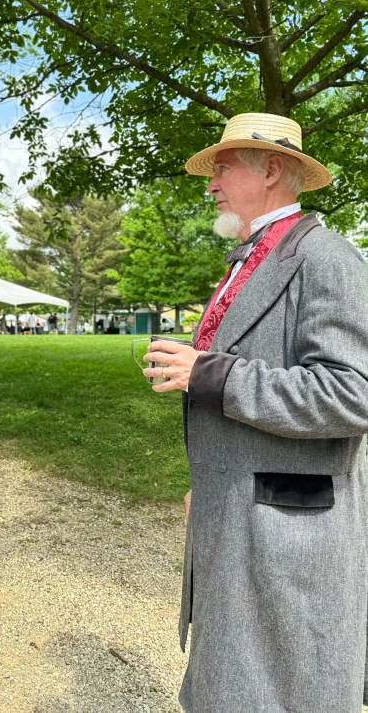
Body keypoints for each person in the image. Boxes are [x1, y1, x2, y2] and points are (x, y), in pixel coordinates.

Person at [143, 113, 368, 713]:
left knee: (284, 691)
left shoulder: (326, 259)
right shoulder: (252, 259)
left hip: (291, 530)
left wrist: (210, 373)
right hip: (244, 515)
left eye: (222, 167)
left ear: (271, 170)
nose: (209, 182)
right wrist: (210, 484)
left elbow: (352, 394)